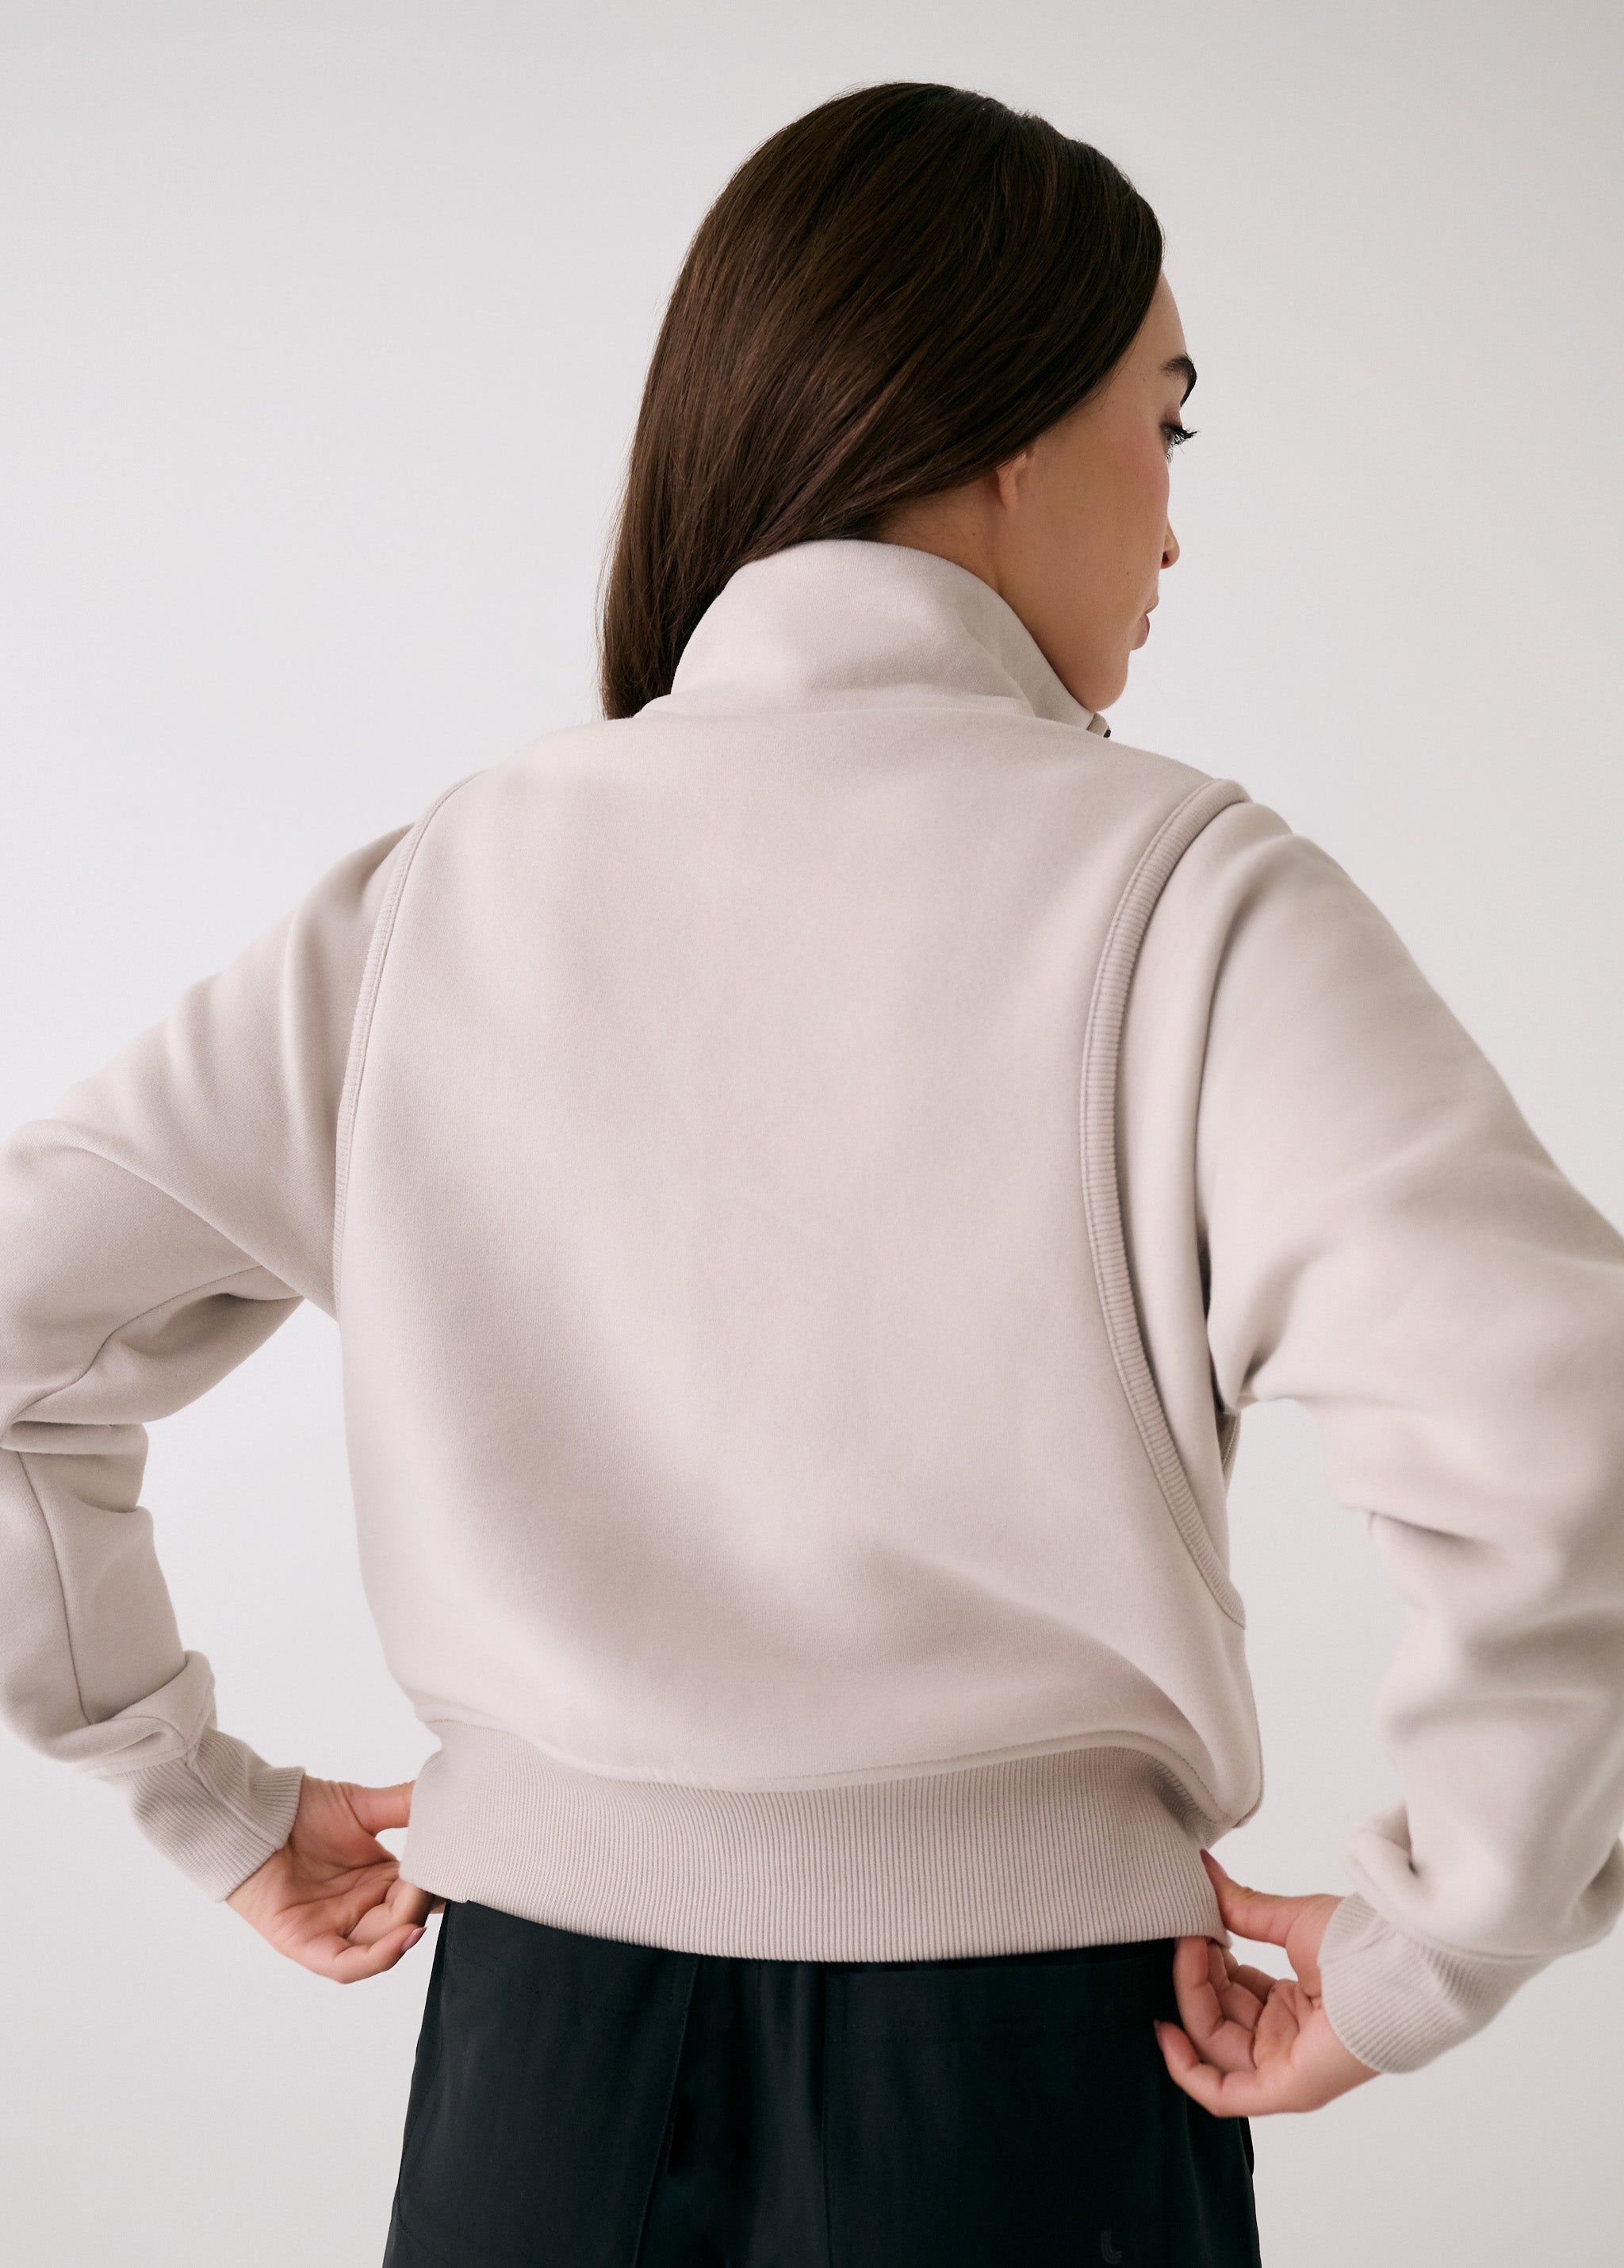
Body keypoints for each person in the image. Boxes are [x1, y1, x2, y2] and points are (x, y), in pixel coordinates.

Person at [2, 78, 1622, 2268]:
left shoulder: (435, 901)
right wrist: (1437, 1944)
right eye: (1167, 424)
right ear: (1008, 433)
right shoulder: (1194, 901)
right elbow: (1567, 1421)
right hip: (1035, 2097)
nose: (1173, 531)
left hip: (535, 2095)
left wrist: (200, 1796)